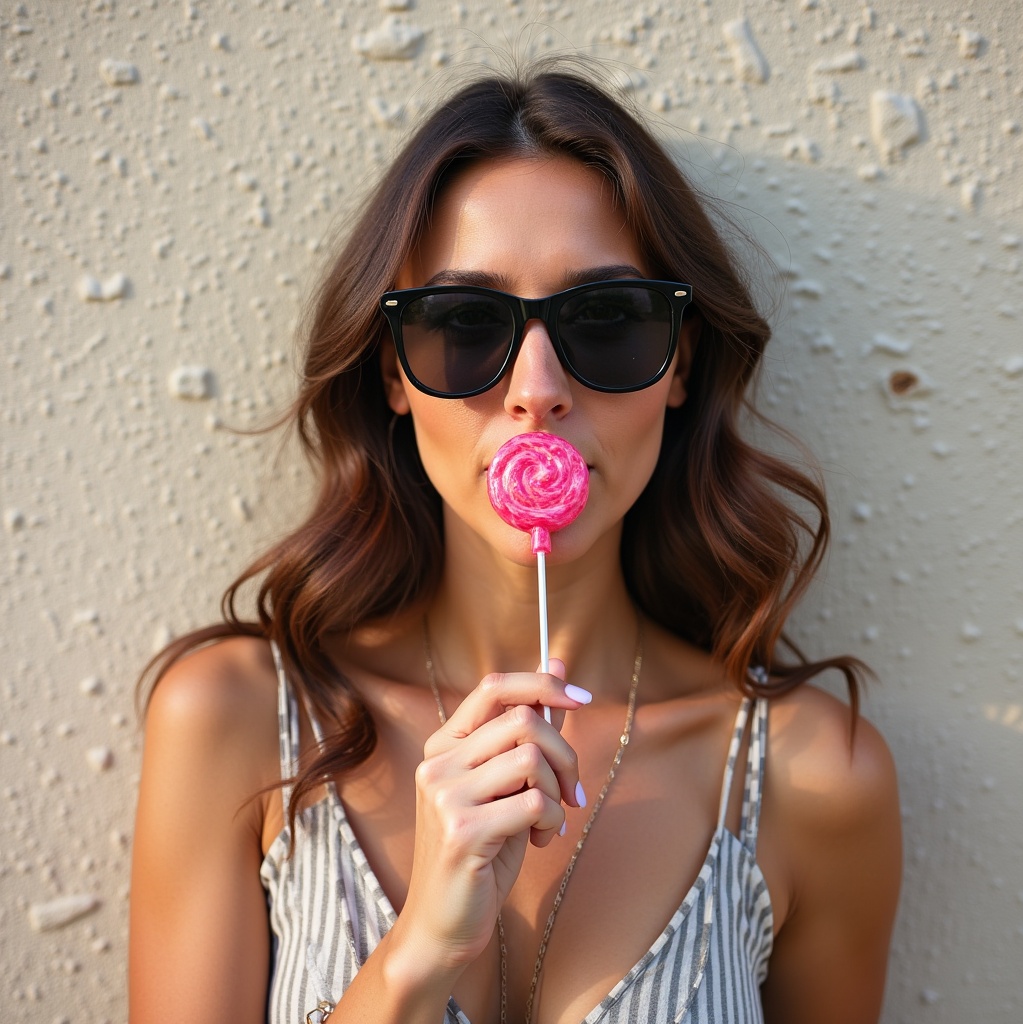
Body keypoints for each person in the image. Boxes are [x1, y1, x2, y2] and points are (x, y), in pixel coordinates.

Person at [129, 63, 901, 1024]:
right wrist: (418, 954)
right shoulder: (238, 724)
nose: (537, 387)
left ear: (681, 363)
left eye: (607, 321)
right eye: (466, 325)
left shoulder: (811, 779)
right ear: (394, 375)